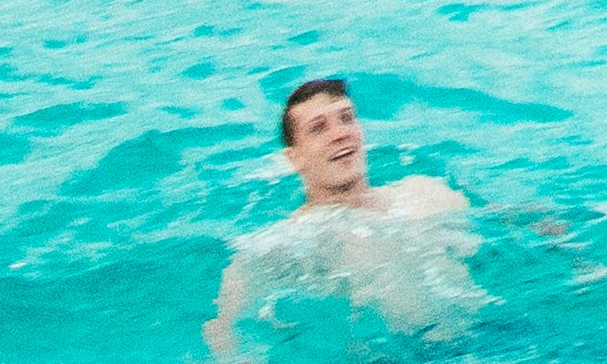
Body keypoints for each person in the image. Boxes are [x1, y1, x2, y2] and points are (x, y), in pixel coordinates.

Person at [204, 75, 481, 355]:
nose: (340, 134)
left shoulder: (427, 192)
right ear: (294, 158)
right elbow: (223, 328)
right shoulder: (289, 242)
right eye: (318, 128)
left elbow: (497, 230)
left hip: (493, 335)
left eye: (346, 118)